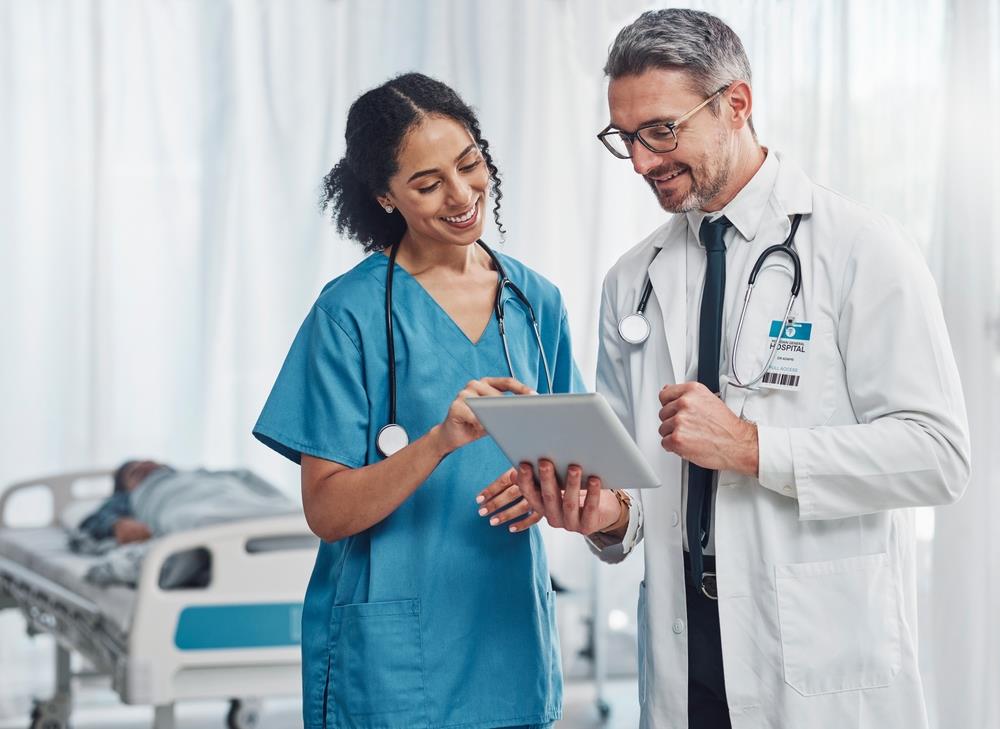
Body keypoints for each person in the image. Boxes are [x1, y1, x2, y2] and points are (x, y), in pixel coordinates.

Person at [478, 9, 971, 729]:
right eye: (626, 138)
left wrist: (751, 446)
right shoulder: (631, 280)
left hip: (816, 661)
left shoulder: (860, 250)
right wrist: (603, 515)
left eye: (661, 132)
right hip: (687, 662)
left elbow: (939, 456)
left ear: (736, 104)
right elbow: (634, 487)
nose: (642, 162)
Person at [252, 73, 581, 729]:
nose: (461, 196)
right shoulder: (347, 314)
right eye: (427, 184)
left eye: (469, 165)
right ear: (385, 196)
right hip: (391, 661)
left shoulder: (534, 303)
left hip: (508, 639)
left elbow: (572, 459)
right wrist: (438, 441)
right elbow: (328, 509)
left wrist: (546, 482)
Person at [76, 460, 292, 545]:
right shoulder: (131, 499)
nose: (145, 466)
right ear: (127, 489)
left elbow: (248, 478)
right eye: (135, 472)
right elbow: (92, 522)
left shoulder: (200, 474)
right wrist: (117, 525)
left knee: (286, 513)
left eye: (147, 462)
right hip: (185, 510)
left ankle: (286, 520)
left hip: (239, 499)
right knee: (195, 522)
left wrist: (283, 502)